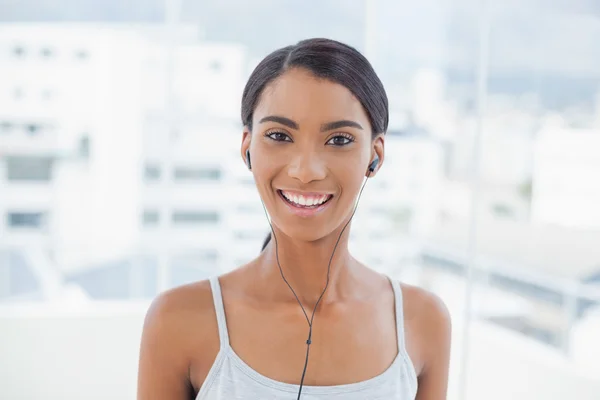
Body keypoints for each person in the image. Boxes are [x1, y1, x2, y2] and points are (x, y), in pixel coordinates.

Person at [137, 38, 451, 400]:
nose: (306, 171)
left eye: (338, 140)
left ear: (375, 156)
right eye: (279, 136)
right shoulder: (178, 320)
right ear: (247, 147)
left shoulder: (422, 322)